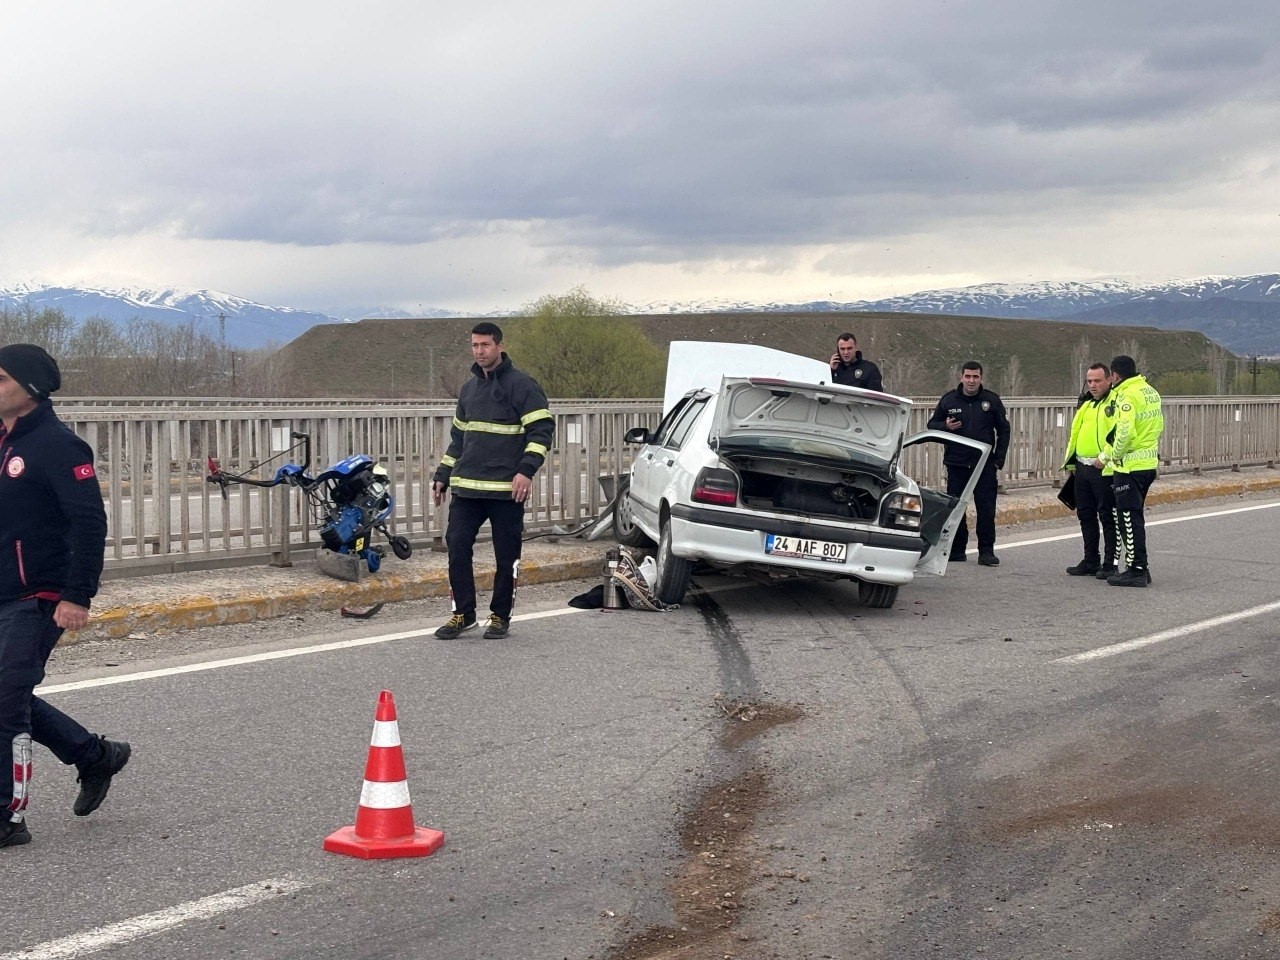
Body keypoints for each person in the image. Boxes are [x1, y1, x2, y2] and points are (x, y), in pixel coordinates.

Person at [1, 344, 131, 849]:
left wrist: (77, 595)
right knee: (7, 694)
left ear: (30, 389)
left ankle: (8, 819)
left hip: (39, 595)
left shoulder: (58, 446)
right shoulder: (4, 440)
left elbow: (89, 523)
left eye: (3, 380)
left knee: (6, 703)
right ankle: (94, 756)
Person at [431, 323, 555, 639]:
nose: (479, 351)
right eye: (474, 345)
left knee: (506, 555)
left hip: (506, 490)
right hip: (467, 487)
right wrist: (443, 475)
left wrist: (526, 471)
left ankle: (500, 616)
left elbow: (541, 433)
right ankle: (463, 614)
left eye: (485, 345)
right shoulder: (468, 390)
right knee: (456, 546)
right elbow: (458, 438)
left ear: (499, 346)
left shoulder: (523, 386)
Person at [927, 361, 1011, 566]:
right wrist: (945, 426)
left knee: (986, 508)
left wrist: (998, 459)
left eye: (975, 377)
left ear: (981, 378)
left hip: (984, 465)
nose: (971, 381)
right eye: (967, 376)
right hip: (957, 463)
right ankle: (957, 550)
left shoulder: (991, 401)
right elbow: (931, 426)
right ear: (961, 377)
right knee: (956, 508)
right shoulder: (949, 400)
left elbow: (1004, 430)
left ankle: (986, 551)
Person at [1099, 355, 1163, 587]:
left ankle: (1136, 568)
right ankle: (1139, 566)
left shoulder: (1127, 395)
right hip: (1147, 463)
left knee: (1128, 517)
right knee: (1135, 515)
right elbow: (1157, 426)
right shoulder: (1150, 391)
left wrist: (1109, 456)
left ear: (1115, 376)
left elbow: (1124, 432)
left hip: (1129, 465)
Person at [1061, 363, 1118, 577]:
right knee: (1085, 515)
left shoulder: (1115, 402)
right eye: (1089, 381)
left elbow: (1121, 433)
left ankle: (1110, 563)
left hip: (1103, 468)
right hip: (1082, 468)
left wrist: (1106, 457)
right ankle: (1091, 560)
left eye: (1097, 381)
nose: (1093, 385)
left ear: (1109, 380)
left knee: (1107, 516)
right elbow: (1075, 434)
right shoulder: (1085, 404)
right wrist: (1071, 462)